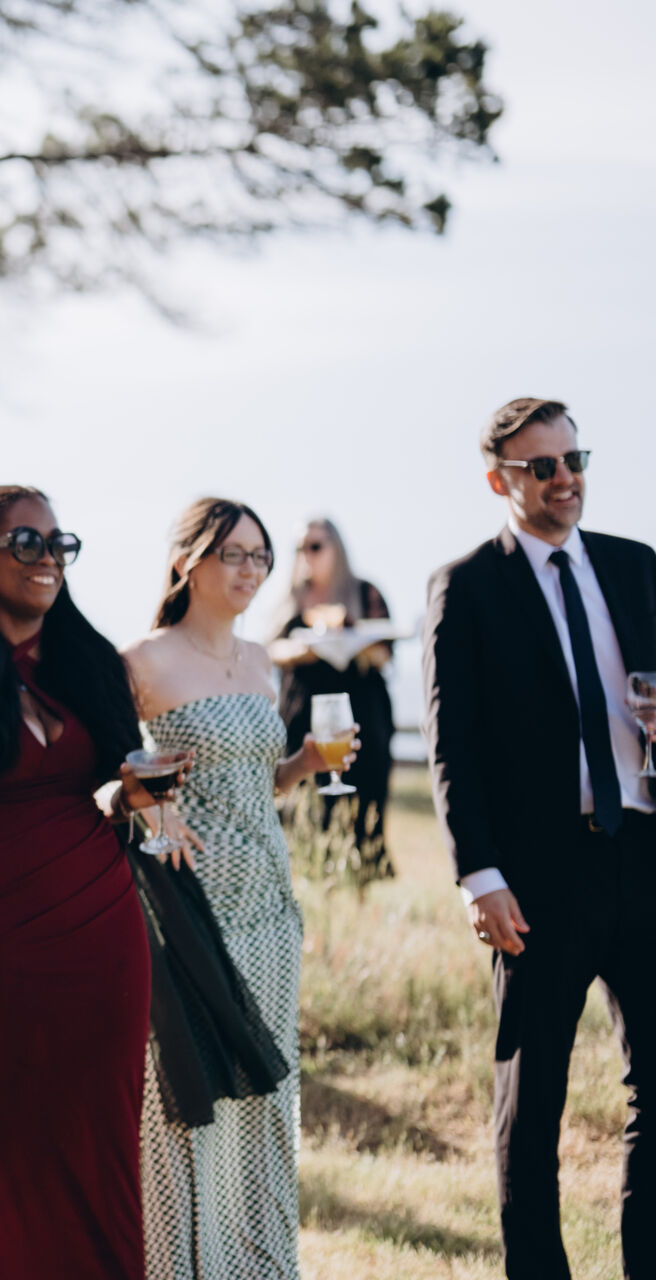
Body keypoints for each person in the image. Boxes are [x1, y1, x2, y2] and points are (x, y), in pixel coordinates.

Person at [0, 486, 174, 1280]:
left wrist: (136, 794)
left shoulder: (92, 659)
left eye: (59, 544)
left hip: (102, 928)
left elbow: (108, 794)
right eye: (27, 543)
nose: (47, 558)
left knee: (95, 1130)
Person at [422, 398, 656, 1280]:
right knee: (533, 1101)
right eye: (543, 466)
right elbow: (452, 743)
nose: (566, 480)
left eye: (574, 460)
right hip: (537, 879)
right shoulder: (467, 586)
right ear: (500, 481)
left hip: (644, 855)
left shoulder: (637, 566)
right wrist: (478, 875)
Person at [122, 498, 351, 1280]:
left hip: (269, 908)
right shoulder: (141, 661)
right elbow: (108, 774)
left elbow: (258, 782)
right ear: (188, 561)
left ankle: (262, 1267)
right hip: (190, 908)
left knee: (267, 1093)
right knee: (192, 1096)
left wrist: (303, 766)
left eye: (261, 556)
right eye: (234, 554)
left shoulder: (261, 661)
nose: (252, 569)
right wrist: (151, 805)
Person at [269, 517, 396, 878]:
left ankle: (359, 881)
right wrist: (306, 650)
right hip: (302, 714)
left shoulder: (365, 592)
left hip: (360, 713)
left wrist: (350, 642)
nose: (306, 555)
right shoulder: (290, 597)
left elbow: (386, 654)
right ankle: (305, 876)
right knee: (301, 801)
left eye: (315, 546)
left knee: (363, 800)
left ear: (336, 547)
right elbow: (270, 649)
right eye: (300, 548)